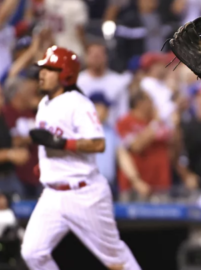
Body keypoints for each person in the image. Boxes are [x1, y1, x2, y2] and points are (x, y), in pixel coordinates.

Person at [21, 46, 141, 270]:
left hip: (84, 193)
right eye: (42, 68)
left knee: (115, 260)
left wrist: (63, 143)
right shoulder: (43, 105)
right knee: (33, 253)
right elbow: (49, 145)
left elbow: (98, 143)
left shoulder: (78, 103)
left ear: (65, 73)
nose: (42, 73)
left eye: (49, 68)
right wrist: (44, 166)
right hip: (52, 194)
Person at [117, 90, 172, 201]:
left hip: (160, 182)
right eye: (150, 100)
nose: (153, 104)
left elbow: (172, 146)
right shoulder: (125, 122)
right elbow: (136, 146)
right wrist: (155, 122)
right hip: (135, 186)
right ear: (139, 103)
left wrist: (175, 123)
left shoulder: (159, 121)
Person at [77, 42, 131, 128]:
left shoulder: (118, 81)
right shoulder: (77, 82)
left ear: (106, 57)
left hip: (113, 132)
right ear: (86, 57)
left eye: (99, 55)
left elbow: (123, 113)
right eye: (93, 55)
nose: (96, 58)